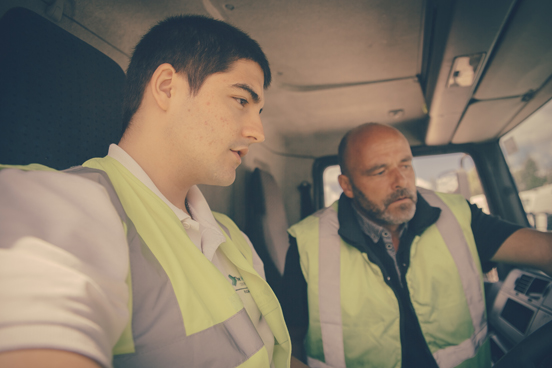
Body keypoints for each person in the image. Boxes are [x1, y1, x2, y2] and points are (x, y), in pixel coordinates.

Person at [0, 15, 307, 368]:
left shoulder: (233, 238)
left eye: (259, 111)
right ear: (166, 87)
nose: (258, 132)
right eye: (241, 100)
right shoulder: (59, 205)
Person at [281, 122, 552, 368]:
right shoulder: (307, 243)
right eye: (379, 171)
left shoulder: (458, 216)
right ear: (347, 186)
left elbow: (544, 251)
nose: (401, 181)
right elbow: (287, 346)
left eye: (406, 165)